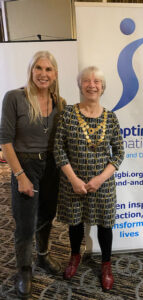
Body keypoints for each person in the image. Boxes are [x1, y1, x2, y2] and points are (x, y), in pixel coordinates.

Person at [0, 51, 66, 299]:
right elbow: (5, 140)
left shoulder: (61, 102)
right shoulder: (14, 98)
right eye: (38, 68)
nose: (43, 73)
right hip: (25, 165)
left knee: (48, 215)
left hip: (51, 167)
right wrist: (20, 175)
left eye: (48, 69)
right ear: (31, 70)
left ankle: (43, 255)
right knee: (26, 222)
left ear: (55, 74)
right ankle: (24, 269)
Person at [54, 66, 124, 291]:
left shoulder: (111, 118)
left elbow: (119, 153)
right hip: (72, 183)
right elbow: (58, 149)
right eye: (86, 81)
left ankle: (106, 264)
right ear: (80, 85)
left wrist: (100, 179)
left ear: (103, 87)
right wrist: (74, 180)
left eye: (96, 81)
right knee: (75, 223)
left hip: (102, 186)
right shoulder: (67, 113)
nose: (92, 85)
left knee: (105, 225)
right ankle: (74, 256)